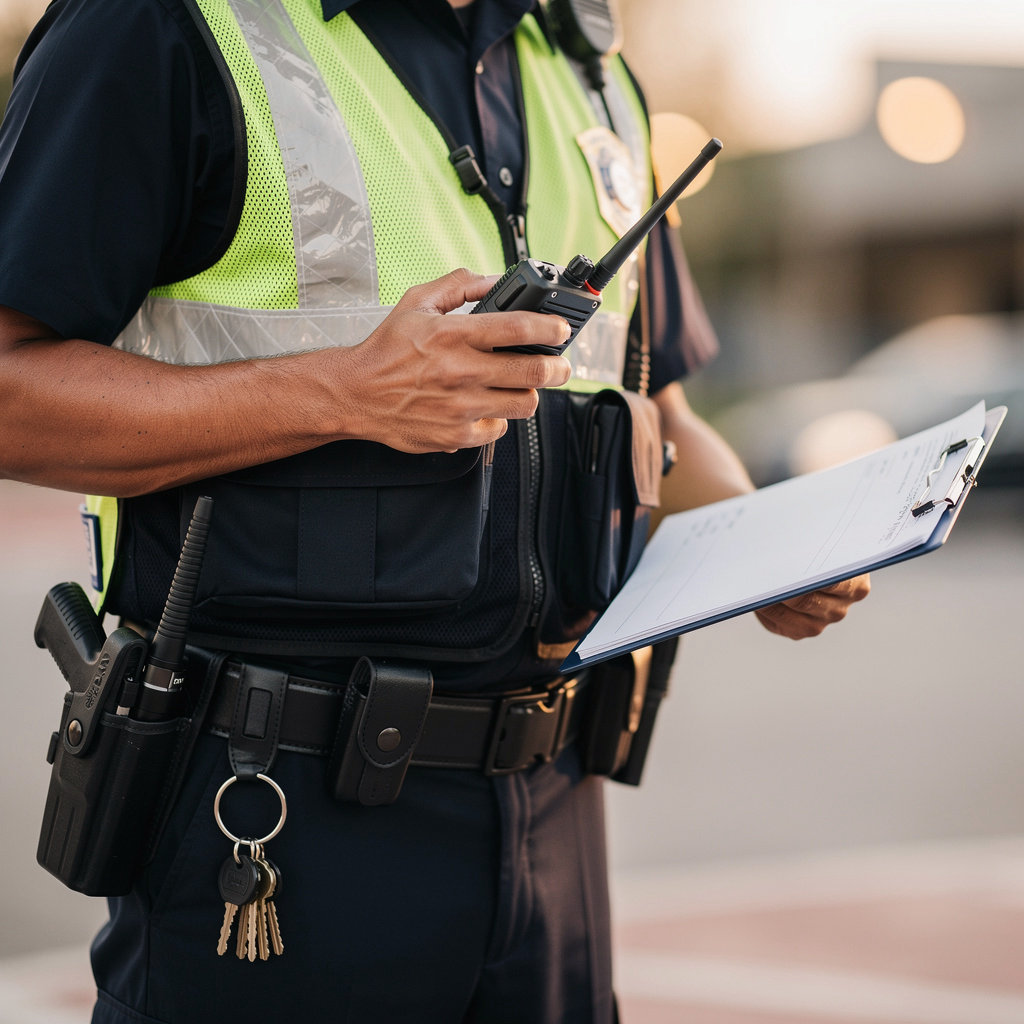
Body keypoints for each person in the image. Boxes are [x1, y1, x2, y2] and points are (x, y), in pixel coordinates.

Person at [0, 0, 870, 1021]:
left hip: (555, 814)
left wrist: (773, 543)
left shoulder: (582, 64)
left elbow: (652, 398)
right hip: (274, 811)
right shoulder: (160, 25)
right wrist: (340, 392)